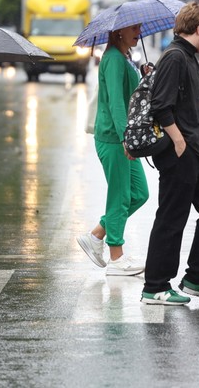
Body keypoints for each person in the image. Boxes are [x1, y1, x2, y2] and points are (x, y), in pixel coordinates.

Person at [139, 2, 199, 306]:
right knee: (172, 218)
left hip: (196, 153)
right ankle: (155, 286)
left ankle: (197, 278)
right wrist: (178, 142)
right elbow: (160, 106)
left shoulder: (189, 58)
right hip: (181, 151)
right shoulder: (175, 57)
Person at [77, 24, 150, 276]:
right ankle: (116, 257)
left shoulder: (124, 57)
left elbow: (130, 94)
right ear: (119, 31)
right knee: (120, 196)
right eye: (134, 28)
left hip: (120, 136)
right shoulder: (114, 58)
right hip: (113, 137)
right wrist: (126, 138)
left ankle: (97, 234)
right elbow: (117, 103)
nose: (138, 32)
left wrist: (145, 75)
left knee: (139, 193)